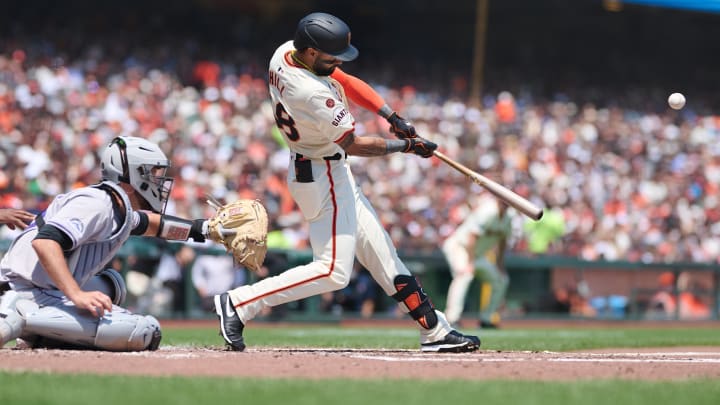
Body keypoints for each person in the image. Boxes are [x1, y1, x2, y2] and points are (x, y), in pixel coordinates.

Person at [214, 12, 480, 353]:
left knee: (384, 256)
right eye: (330, 56)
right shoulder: (310, 92)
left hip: (322, 169)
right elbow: (352, 144)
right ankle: (240, 302)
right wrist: (406, 146)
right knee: (333, 272)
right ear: (310, 52)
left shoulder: (285, 52)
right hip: (323, 174)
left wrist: (392, 117)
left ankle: (434, 329)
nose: (336, 61)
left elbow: (347, 81)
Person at [0, 136, 209, 351]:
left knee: (112, 286)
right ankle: (20, 319)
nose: (159, 181)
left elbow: (154, 225)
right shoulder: (97, 203)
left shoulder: (115, 205)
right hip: (20, 288)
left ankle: (36, 330)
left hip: (36, 286)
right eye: (153, 173)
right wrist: (76, 294)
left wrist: (206, 230)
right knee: (144, 331)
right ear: (133, 176)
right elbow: (45, 242)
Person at [442, 194, 513, 329]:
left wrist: (500, 265)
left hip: (477, 254)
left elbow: (503, 241)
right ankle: (452, 318)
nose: (505, 203)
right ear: (498, 200)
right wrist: (470, 262)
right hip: (460, 247)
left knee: (501, 280)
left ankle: (486, 319)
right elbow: (472, 237)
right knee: (464, 275)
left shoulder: (508, 217)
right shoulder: (487, 211)